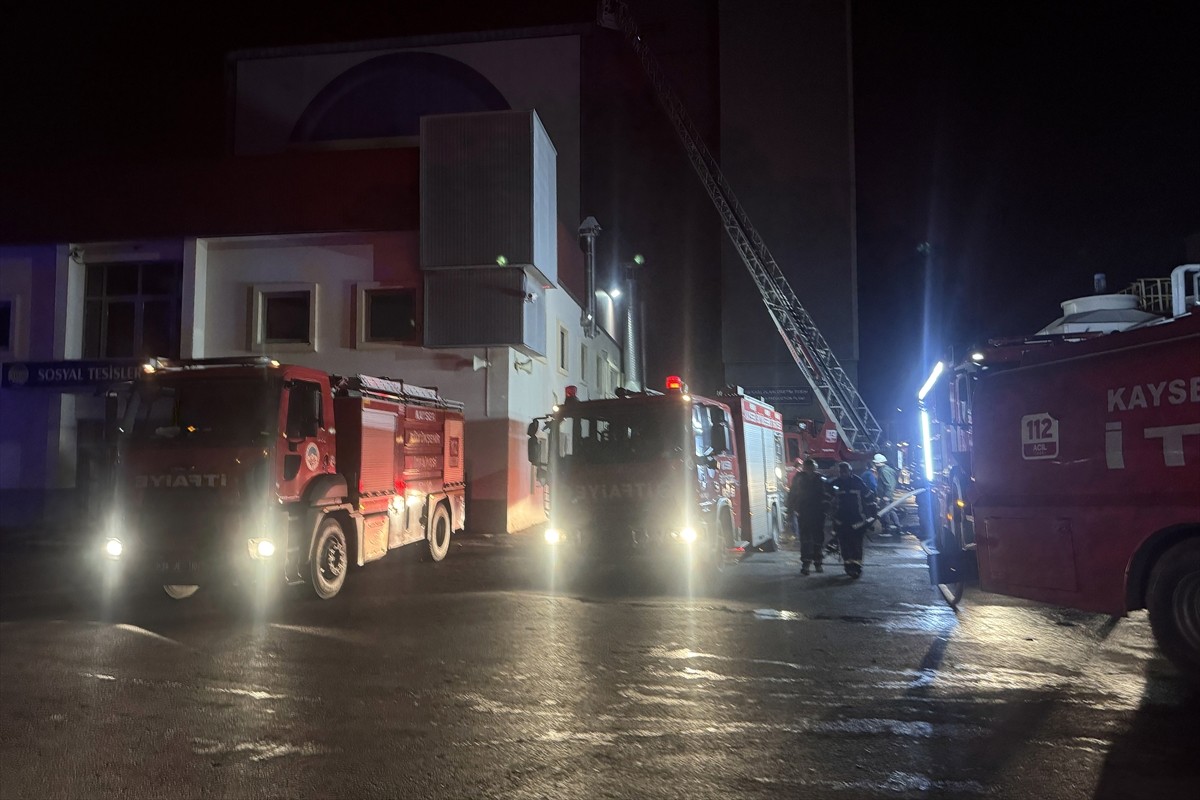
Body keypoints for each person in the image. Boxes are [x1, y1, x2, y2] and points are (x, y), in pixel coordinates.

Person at [829, 461, 875, 578]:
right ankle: (848, 566)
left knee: (856, 545)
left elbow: (869, 498)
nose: (843, 474)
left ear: (850, 471)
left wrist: (872, 514)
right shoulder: (836, 483)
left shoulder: (858, 482)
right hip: (841, 520)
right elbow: (827, 497)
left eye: (845, 471)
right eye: (841, 472)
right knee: (844, 545)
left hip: (857, 520)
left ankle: (857, 566)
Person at [785, 457, 829, 575]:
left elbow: (827, 495)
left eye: (811, 467)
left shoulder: (821, 479)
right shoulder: (799, 478)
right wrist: (790, 509)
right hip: (804, 513)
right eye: (808, 467)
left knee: (817, 540)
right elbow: (792, 494)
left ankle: (817, 563)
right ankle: (806, 564)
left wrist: (826, 509)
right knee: (806, 540)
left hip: (817, 513)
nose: (809, 470)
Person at [873, 453, 900, 534]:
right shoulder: (886, 470)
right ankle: (897, 526)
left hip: (885, 496)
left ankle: (887, 527)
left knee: (885, 511)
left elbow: (889, 484)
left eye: (875, 463)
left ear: (878, 463)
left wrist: (887, 495)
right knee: (890, 510)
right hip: (885, 495)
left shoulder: (884, 471)